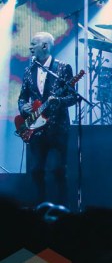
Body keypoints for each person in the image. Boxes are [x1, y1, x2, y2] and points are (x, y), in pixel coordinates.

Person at [18, 32, 78, 205]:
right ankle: (39, 208)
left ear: (44, 46)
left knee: (59, 170)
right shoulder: (29, 70)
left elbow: (73, 97)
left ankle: (63, 209)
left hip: (57, 128)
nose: (30, 47)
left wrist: (59, 101)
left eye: (33, 44)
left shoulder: (62, 68)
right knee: (36, 170)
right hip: (36, 128)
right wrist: (23, 107)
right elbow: (22, 97)